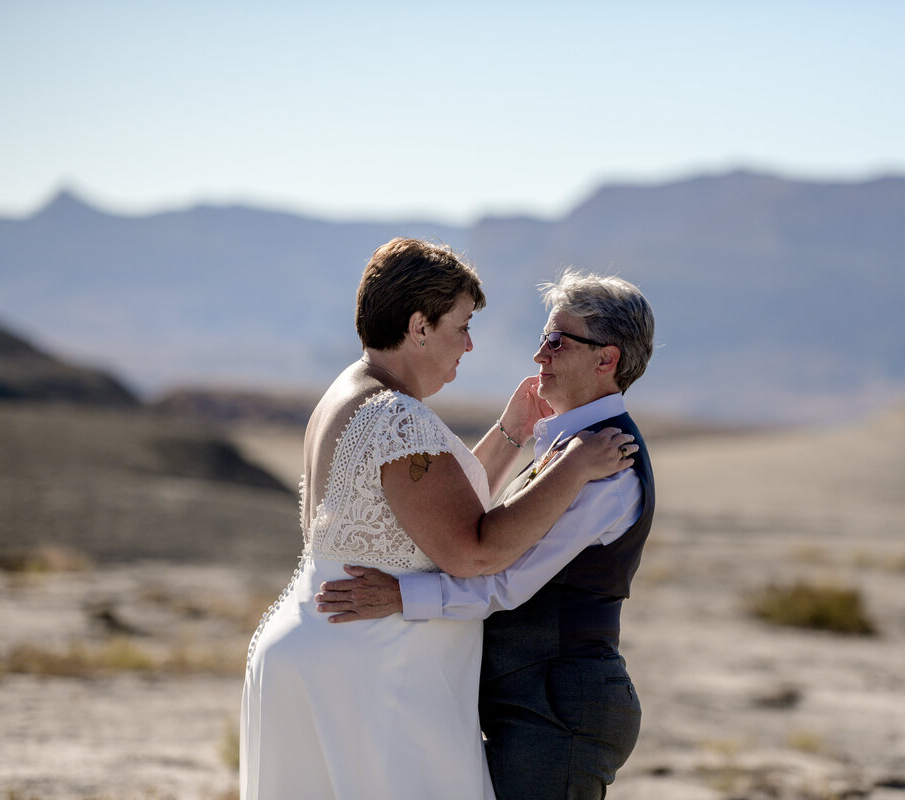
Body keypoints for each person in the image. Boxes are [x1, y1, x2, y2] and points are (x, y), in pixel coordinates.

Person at [240, 239, 638, 799]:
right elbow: (471, 551)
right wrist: (571, 468)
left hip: (321, 652)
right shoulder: (397, 417)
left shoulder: (351, 394)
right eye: (462, 325)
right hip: (374, 669)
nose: (470, 344)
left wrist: (509, 434)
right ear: (419, 325)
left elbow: (431, 510)